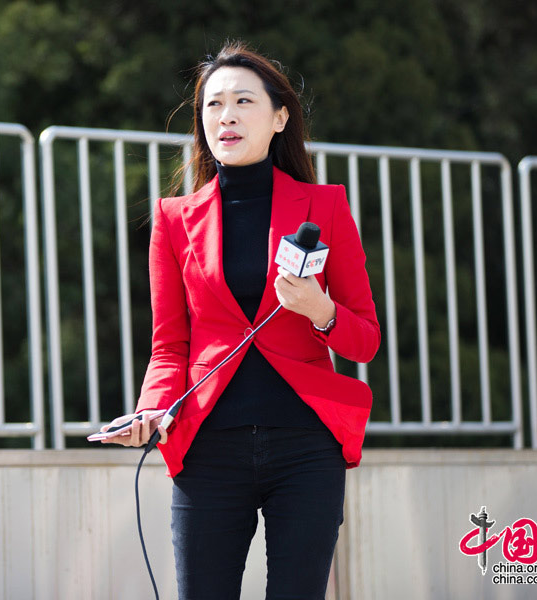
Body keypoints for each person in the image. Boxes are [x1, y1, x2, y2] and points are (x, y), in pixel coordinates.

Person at [100, 41, 380, 600]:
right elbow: (169, 345)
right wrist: (153, 409)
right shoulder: (173, 220)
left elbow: (365, 340)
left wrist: (319, 310)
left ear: (280, 118)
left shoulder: (325, 206)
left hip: (306, 447)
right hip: (208, 448)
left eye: (243, 101)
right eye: (213, 104)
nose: (225, 115)